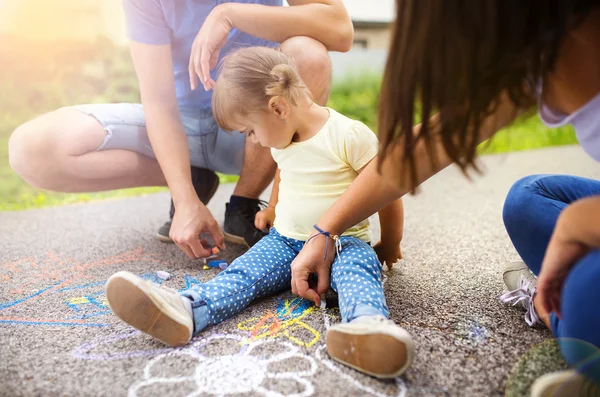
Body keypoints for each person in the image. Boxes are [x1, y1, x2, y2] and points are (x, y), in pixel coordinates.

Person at [289, 1, 600, 395]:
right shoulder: (536, 55)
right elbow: (419, 150)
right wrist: (325, 229)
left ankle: (572, 309)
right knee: (527, 200)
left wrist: (577, 224)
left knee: (586, 298)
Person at [104, 46, 412, 379]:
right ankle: (187, 309)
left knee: (357, 274)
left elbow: (387, 191)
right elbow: (284, 172)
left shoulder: (349, 136)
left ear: (278, 107)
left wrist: (390, 242)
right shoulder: (284, 139)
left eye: (249, 131)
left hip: (345, 241)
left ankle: (367, 327)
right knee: (244, 274)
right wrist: (275, 207)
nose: (254, 140)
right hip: (286, 241)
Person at [8, 0, 350, 257]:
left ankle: (243, 207)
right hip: (179, 124)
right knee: (31, 149)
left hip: (252, 128)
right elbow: (158, 101)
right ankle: (192, 180)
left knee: (309, 54)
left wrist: (228, 14)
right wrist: (184, 198)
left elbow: (339, 29)